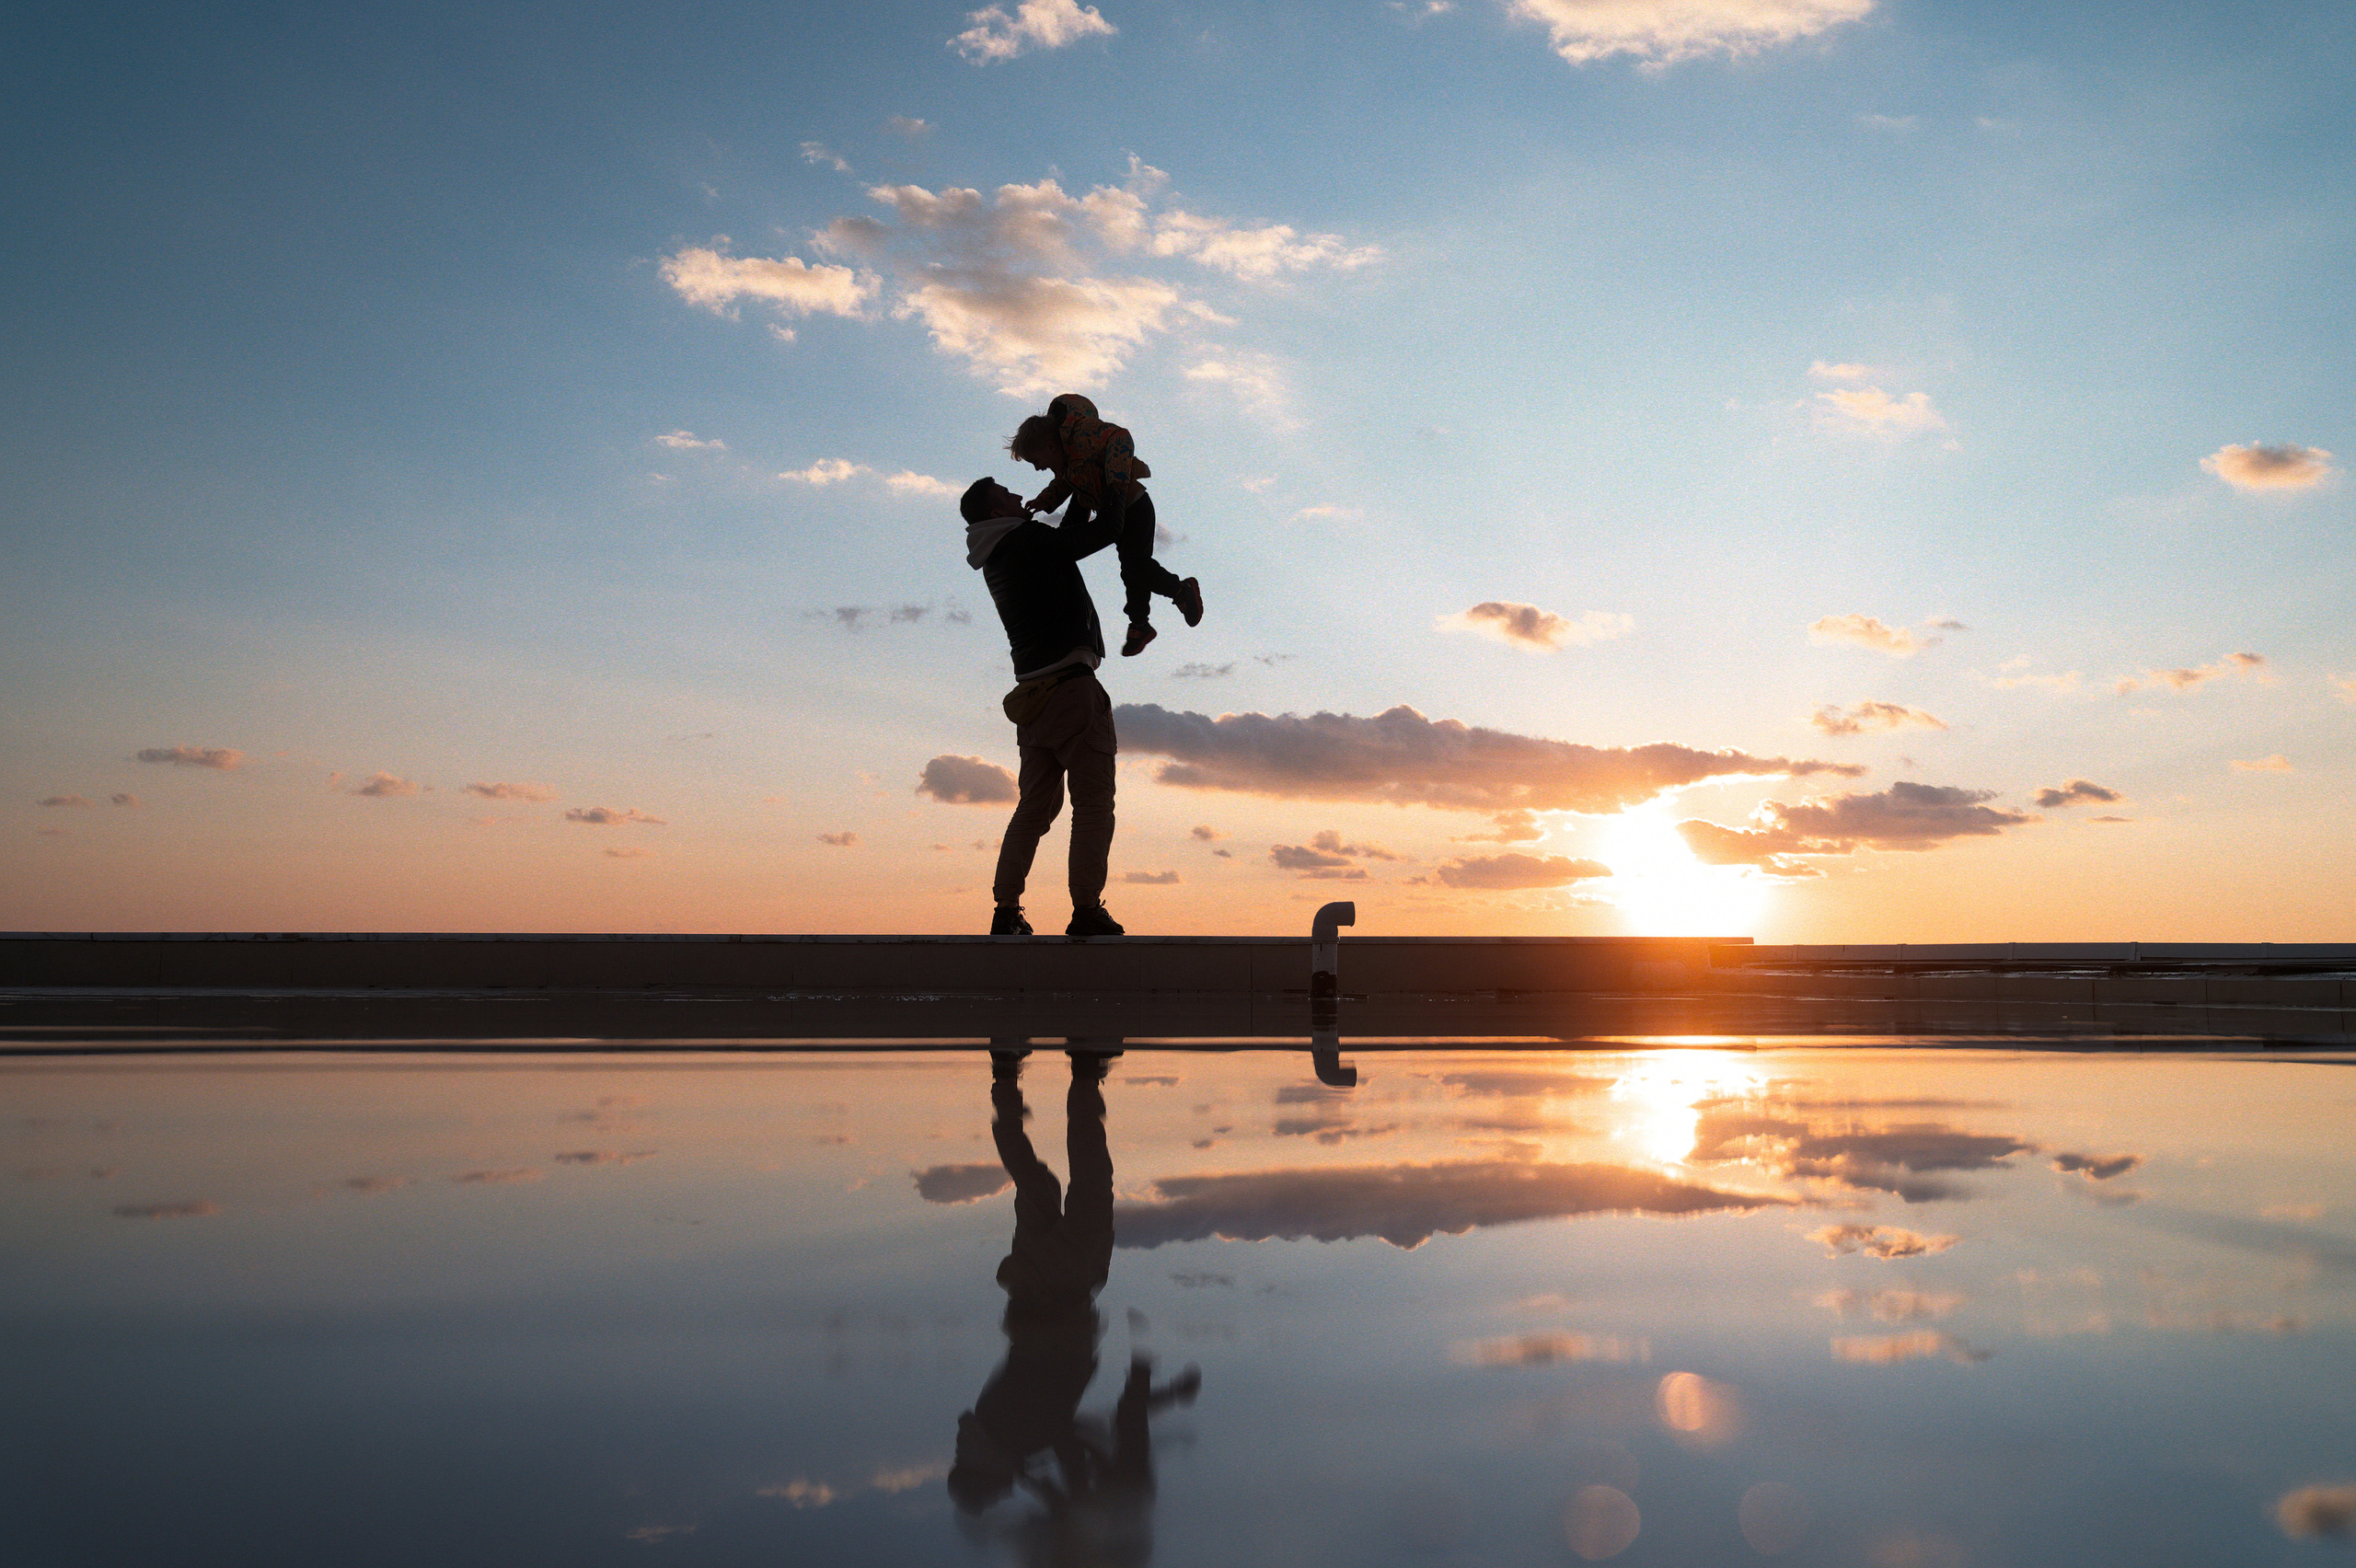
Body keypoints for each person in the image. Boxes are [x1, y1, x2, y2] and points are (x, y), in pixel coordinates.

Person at [947, 1046, 1201, 1563]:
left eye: (993, 1494)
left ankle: (1084, 1076)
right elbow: (1075, 1434)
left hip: (1067, 1288)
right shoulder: (993, 1431)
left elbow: (1076, 1438)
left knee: (1091, 1179)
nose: (1002, 1495)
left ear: (984, 1478)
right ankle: (1005, 1081)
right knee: (1036, 1184)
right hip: (1030, 1285)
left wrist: (1059, 1501)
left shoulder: (1017, 1439)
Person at [961, 476, 1126, 939]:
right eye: (1007, 494)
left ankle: (1006, 909)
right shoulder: (1025, 539)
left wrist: (1077, 492)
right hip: (1073, 692)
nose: (1018, 495)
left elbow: (1064, 540)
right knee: (1093, 806)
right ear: (997, 513)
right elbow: (1101, 533)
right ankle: (1086, 909)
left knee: (1033, 808)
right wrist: (1112, 482)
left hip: (1034, 699)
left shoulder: (1000, 552)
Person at [1011, 394, 1202, 659]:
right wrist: (1045, 500)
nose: (1037, 469)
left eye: (1035, 461)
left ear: (1050, 446)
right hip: (1115, 509)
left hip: (1133, 504)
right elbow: (1065, 482)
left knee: (1136, 565)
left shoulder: (1082, 434)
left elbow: (1120, 437)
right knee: (1132, 568)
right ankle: (1140, 624)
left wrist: (1115, 483)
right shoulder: (1067, 461)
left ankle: (1181, 591)